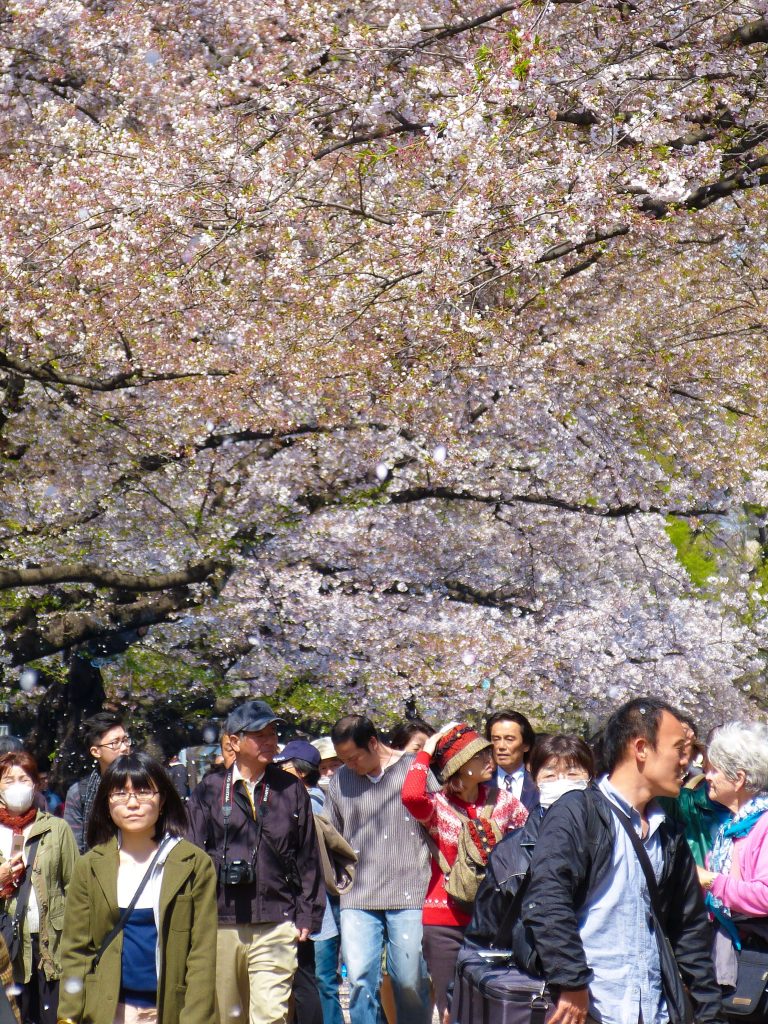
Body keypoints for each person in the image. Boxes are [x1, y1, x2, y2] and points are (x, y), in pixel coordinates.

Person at [521, 697, 722, 1024]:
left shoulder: (667, 833)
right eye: (678, 748)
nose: (687, 761)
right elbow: (547, 898)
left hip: (653, 1010)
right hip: (591, 1009)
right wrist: (571, 982)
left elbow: (689, 931)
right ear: (641, 748)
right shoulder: (578, 812)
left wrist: (709, 1013)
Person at [187, 700, 324, 1024]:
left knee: (271, 1015)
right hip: (221, 920)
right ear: (233, 741)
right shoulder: (209, 789)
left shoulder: (290, 789)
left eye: (273, 733)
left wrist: (307, 914)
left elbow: (308, 854)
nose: (270, 741)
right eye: (259, 734)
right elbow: (191, 854)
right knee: (227, 1015)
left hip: (277, 918)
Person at [58, 752, 217, 1024]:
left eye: (143, 792)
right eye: (120, 793)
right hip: (107, 1011)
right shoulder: (90, 866)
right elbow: (76, 950)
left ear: (162, 799)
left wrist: (196, 1017)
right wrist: (68, 1017)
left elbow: (201, 953)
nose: (132, 803)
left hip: (169, 1010)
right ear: (106, 803)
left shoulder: (193, 864)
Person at [401, 722, 527, 1020]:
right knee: (450, 1010)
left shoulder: (504, 801)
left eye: (488, 753)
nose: (490, 759)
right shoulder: (437, 806)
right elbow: (410, 796)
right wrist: (426, 752)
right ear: (458, 766)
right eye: (479, 755)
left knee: (490, 1008)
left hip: (495, 919)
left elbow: (530, 838)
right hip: (443, 918)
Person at [324, 714, 433, 1024]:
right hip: (358, 894)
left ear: (373, 743)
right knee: (359, 980)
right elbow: (332, 834)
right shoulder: (341, 780)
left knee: (410, 980)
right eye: (343, 759)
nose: (350, 764)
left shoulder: (415, 769)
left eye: (354, 757)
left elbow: (438, 822)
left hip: (410, 889)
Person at [464, 734, 594, 951]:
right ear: (534, 779)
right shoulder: (509, 852)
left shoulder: (614, 838)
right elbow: (485, 932)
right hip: (533, 968)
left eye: (572, 774)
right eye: (550, 775)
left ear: (590, 777)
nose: (562, 782)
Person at [0, 752, 77, 1024]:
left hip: (51, 946)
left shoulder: (57, 829)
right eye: (8, 780)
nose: (17, 786)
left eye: (24, 779)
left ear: (36, 784)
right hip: (6, 948)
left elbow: (75, 888)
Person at [696, 721, 768, 986]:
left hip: (755, 957)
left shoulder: (762, 826)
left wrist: (710, 881)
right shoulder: (731, 829)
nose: (707, 777)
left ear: (738, 779)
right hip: (728, 954)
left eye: (715, 770)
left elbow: (765, 896)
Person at [273, 741, 325, 1024]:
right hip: (303, 901)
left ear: (302, 771)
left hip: (301, 902)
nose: (279, 769)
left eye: (286, 764)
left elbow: (306, 858)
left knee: (305, 980)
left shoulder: (309, 801)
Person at [63, 712, 132, 853]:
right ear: (96, 751)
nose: (124, 747)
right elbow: (75, 849)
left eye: (125, 740)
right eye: (115, 743)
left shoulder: (145, 783)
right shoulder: (79, 793)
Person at [485, 710, 538, 809]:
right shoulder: (479, 784)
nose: (501, 746)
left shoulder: (538, 783)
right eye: (496, 739)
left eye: (509, 739)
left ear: (526, 745)